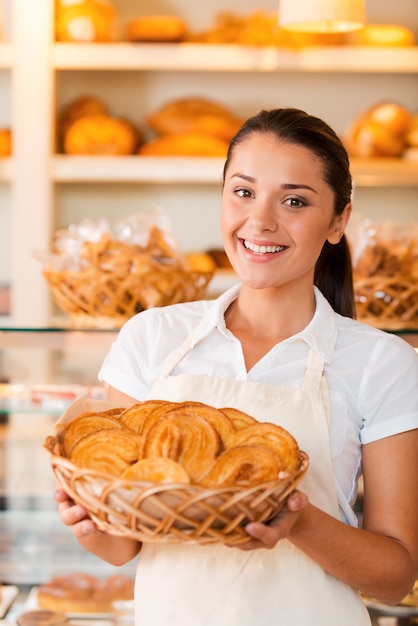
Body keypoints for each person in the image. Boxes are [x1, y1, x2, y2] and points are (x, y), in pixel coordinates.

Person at [55, 107, 418, 626]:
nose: (261, 221)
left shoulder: (382, 362)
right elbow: (122, 546)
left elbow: (396, 576)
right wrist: (85, 520)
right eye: (243, 192)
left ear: (339, 220)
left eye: (294, 201)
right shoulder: (153, 337)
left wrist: (296, 521)